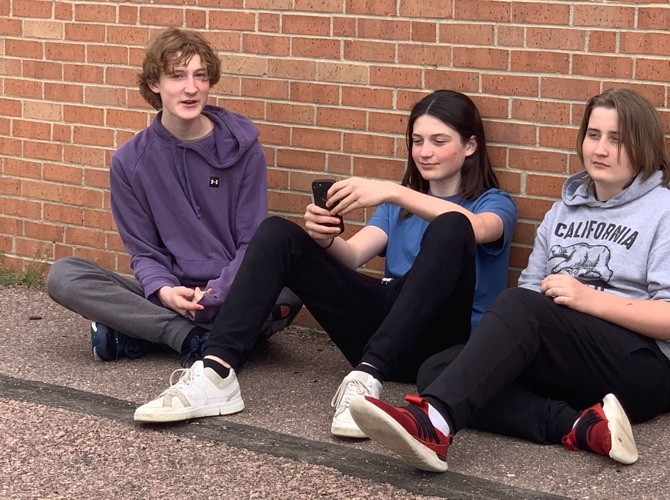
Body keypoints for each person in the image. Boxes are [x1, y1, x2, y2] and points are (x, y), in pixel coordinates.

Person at [349, 88, 670, 471]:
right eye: (593, 135)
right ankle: (582, 426)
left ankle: (435, 424)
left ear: (643, 146)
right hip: (570, 359)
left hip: (646, 372)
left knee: (516, 308)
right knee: (438, 369)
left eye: (617, 140)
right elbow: (530, 291)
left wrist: (590, 300)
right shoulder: (563, 212)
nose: (601, 149)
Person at [133, 89, 519, 440]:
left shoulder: (494, 203)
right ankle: (216, 371)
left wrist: (396, 191)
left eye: (439, 141)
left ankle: (368, 379)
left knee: (450, 227)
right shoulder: (395, 209)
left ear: (470, 146)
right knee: (277, 233)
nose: (424, 152)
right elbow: (352, 258)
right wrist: (324, 239)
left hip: (443, 342)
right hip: (383, 326)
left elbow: (474, 228)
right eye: (417, 141)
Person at [46, 28, 301, 366]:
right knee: (65, 275)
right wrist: (166, 291)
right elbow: (144, 251)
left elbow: (251, 244)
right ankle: (195, 339)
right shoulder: (129, 162)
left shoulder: (244, 149)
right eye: (177, 76)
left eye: (200, 76)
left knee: (291, 292)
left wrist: (215, 295)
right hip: (169, 293)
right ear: (155, 83)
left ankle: (139, 334)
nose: (191, 88)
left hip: (234, 289)